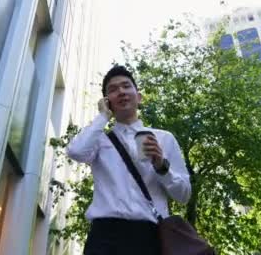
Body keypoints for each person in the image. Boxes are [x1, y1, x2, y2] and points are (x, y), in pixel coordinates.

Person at [67, 65, 192, 255]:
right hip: (104, 237)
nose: (121, 92)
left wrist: (161, 166)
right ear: (107, 101)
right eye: (113, 89)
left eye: (126, 86)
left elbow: (184, 195)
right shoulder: (99, 140)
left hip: (149, 237)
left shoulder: (164, 138)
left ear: (139, 96)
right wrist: (102, 117)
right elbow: (75, 152)